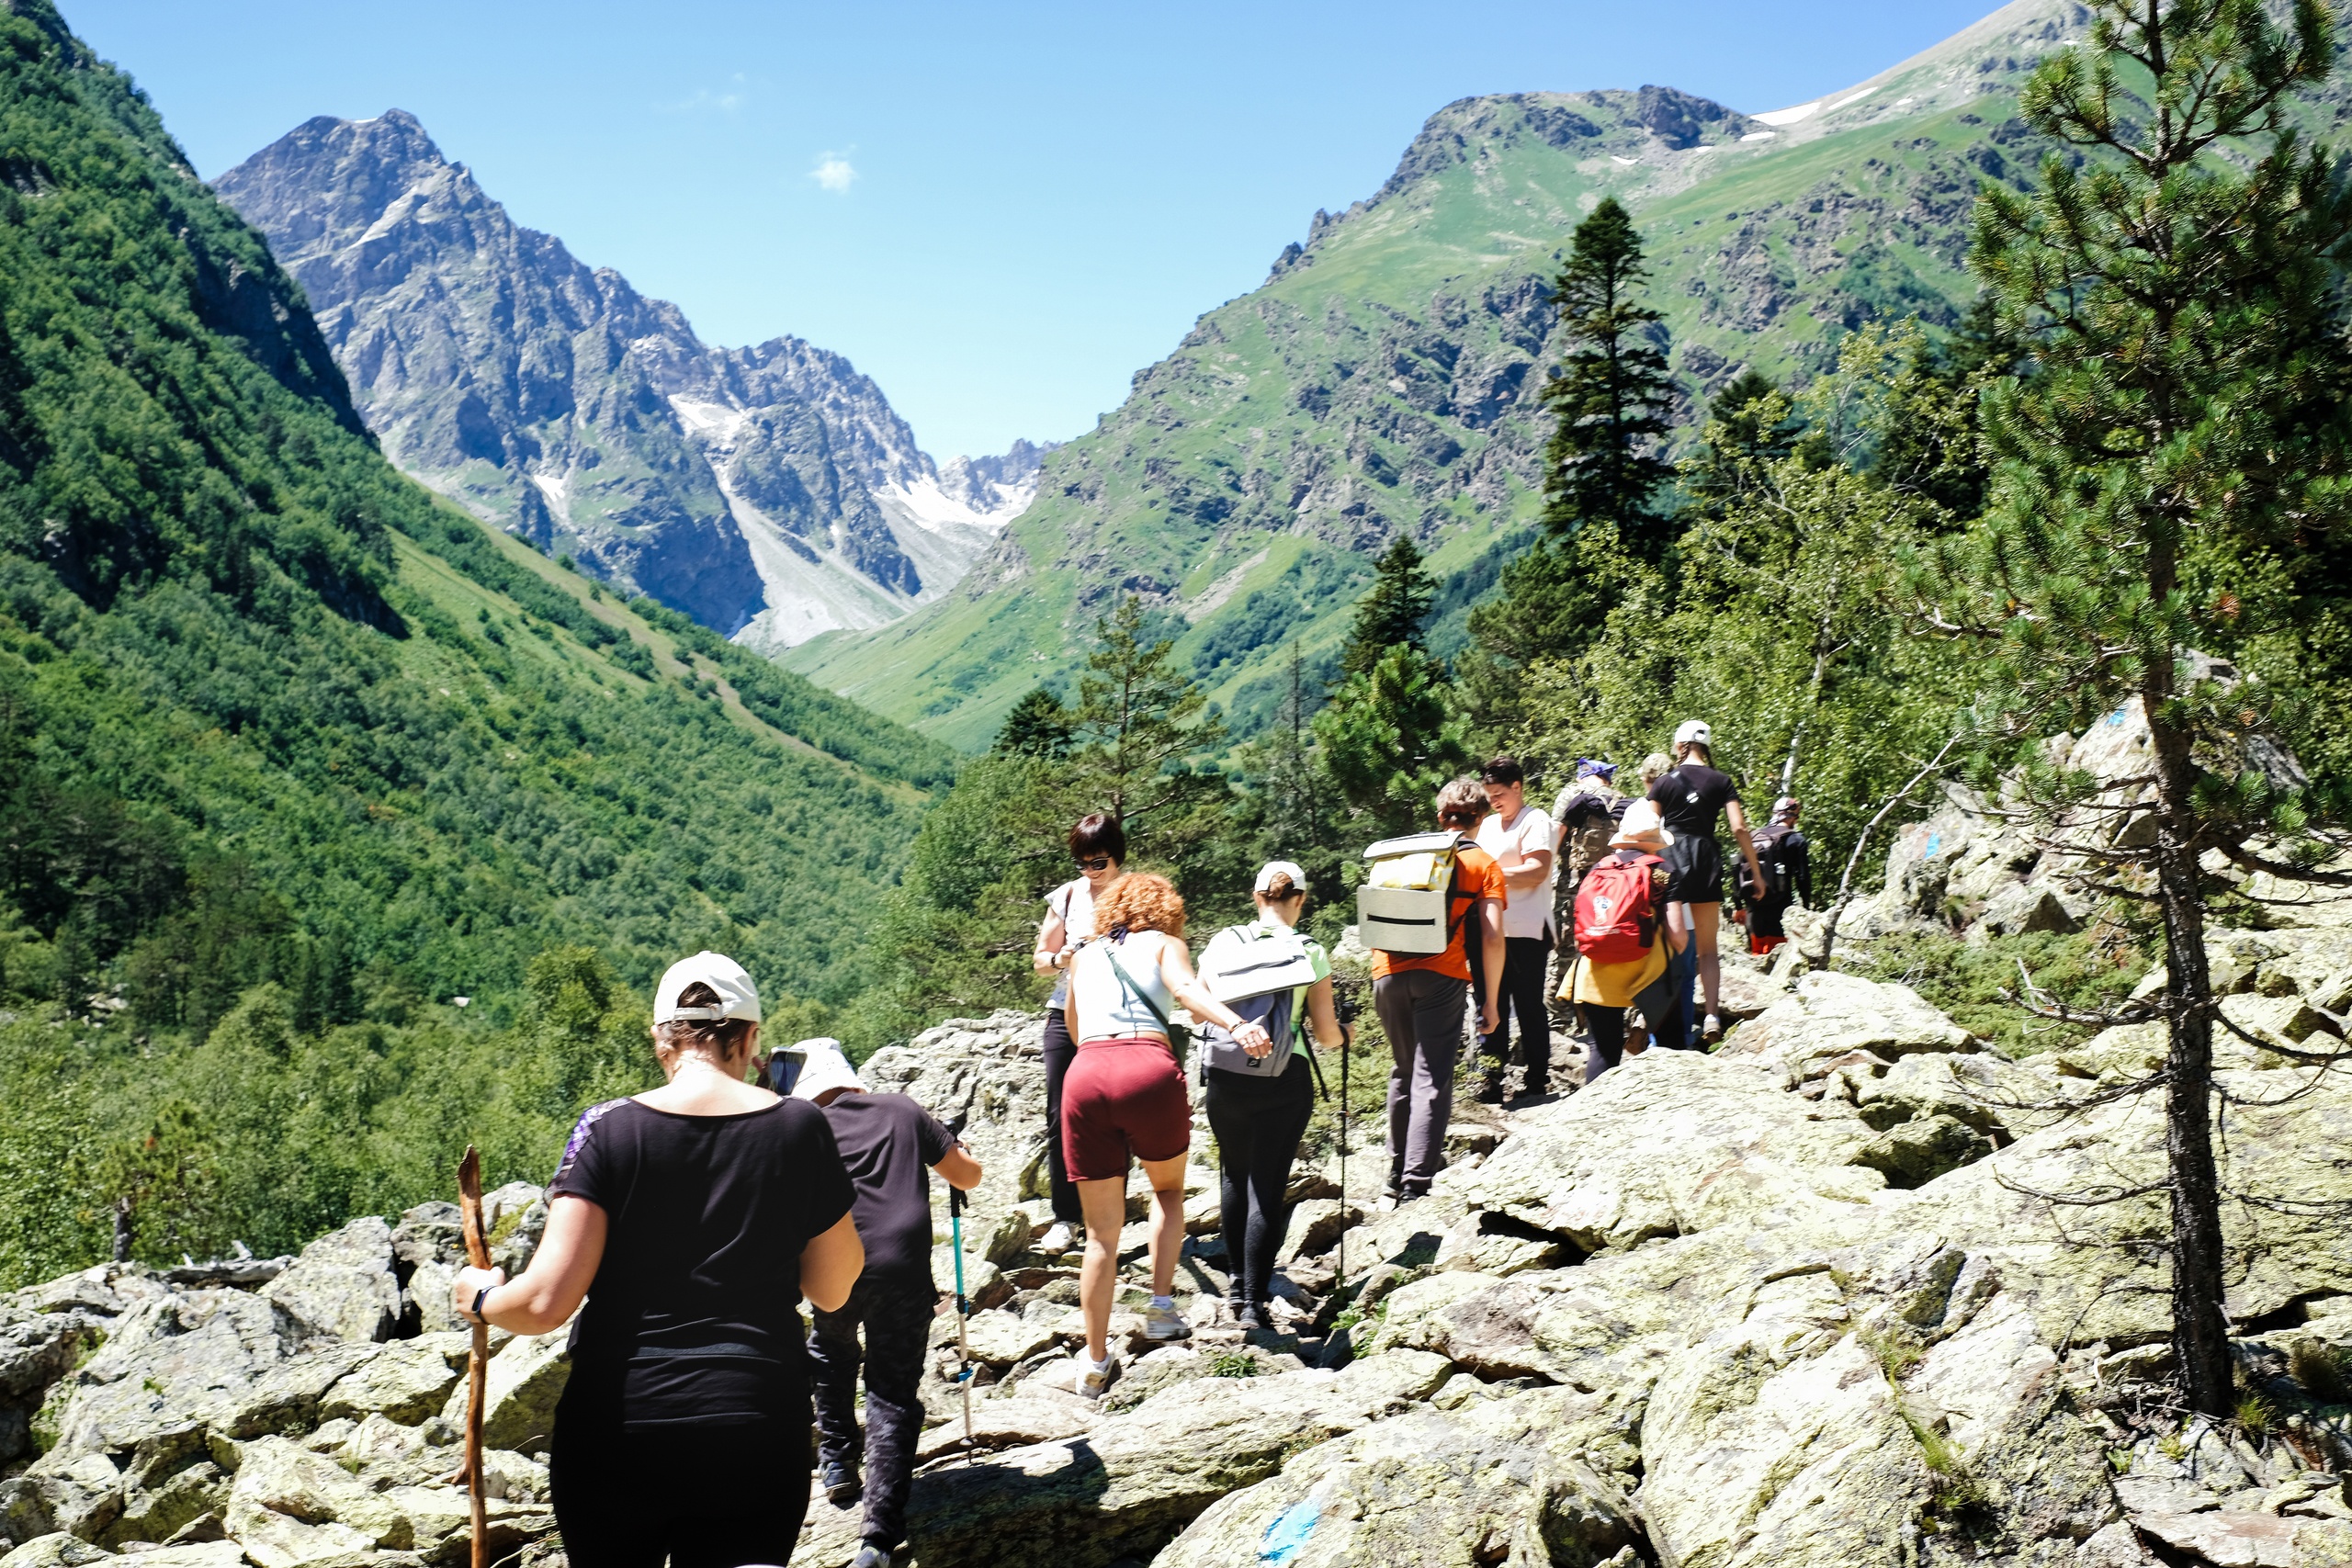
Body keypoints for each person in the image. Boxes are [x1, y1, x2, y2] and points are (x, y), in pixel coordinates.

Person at [451, 952, 864, 1568]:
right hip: (754, 1422)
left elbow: (542, 1304)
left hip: (620, 1425)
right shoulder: (800, 1126)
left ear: (660, 1039)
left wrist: (479, 1295)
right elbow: (833, 1287)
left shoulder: (609, 1130)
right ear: (750, 1038)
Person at [1061, 873, 1272, 1398]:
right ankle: (1159, 1310)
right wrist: (1236, 1025)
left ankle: (1093, 1362)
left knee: (1100, 1235)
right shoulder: (1165, 944)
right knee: (1167, 1191)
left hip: (1085, 1075)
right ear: (1166, 909)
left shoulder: (1083, 955)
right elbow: (1185, 991)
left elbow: (1072, 1025)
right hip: (1147, 1069)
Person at [790, 1040, 983, 1568]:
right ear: (851, 1078)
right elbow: (968, 1175)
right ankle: (877, 1536)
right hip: (902, 1270)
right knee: (892, 1391)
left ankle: (836, 1464)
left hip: (835, 1269)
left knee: (830, 1350)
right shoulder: (901, 1108)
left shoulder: (801, 1129)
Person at [1203, 861, 1347, 1330]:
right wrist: (1345, 1032)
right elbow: (1325, 1035)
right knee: (1266, 1184)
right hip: (1287, 1076)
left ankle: (1234, 1290)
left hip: (1226, 1073)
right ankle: (1252, 1305)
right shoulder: (1310, 950)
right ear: (1299, 900)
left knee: (1233, 1174)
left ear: (1256, 896)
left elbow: (1199, 1000)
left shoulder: (1224, 941)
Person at [1371, 777, 1505, 1206]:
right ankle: (1415, 1182)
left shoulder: (1405, 853)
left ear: (1439, 815)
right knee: (1431, 1077)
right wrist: (1492, 1000)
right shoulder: (1482, 864)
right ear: (1480, 819)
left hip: (1386, 971)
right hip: (1441, 974)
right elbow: (1493, 937)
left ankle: (1396, 1166)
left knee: (1404, 1071)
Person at [1032, 813, 1127, 1256]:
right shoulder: (1067, 897)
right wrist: (1060, 959)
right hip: (1064, 1010)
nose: (1090, 873)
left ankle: (1107, 1215)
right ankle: (1065, 1217)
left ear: (1117, 857)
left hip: (1116, 1014)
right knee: (1060, 1113)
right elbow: (1040, 958)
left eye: (1099, 863)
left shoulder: (1136, 895)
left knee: (1113, 1116)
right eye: (1082, 864)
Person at [1648, 721, 1767, 1043]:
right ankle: (1712, 1015)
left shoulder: (1663, 782)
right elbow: (1739, 828)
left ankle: (1649, 1019)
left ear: (1679, 745)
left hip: (1668, 859)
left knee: (1666, 943)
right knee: (1708, 949)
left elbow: (1646, 827)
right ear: (1706, 746)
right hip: (1706, 858)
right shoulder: (1722, 781)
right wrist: (1755, 872)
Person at [1564, 802, 1689, 1083]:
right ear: (1656, 839)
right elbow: (1678, 935)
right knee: (1673, 1047)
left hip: (1596, 969)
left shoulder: (1599, 868)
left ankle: (1592, 1119)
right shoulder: (1663, 871)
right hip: (1650, 972)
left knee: (1603, 1053)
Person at [1473, 757, 1556, 1104]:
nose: (1494, 800)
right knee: (1488, 1002)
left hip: (1526, 929)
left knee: (1527, 1005)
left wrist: (1491, 877)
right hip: (1491, 926)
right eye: (1489, 794)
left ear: (1518, 787)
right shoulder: (1488, 826)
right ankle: (1491, 1077)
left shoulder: (1535, 820)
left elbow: (1538, 870)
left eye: (1500, 792)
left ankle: (1537, 1078)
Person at [1546, 760, 1629, 1033]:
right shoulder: (1620, 799)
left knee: (1564, 951)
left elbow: (1556, 833)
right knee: (1603, 948)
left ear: (1583, 776)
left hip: (1572, 884)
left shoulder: (1572, 793)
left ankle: (1557, 1020)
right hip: (1610, 888)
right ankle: (1600, 1016)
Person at [1736, 796, 1813, 955]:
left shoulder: (1754, 837)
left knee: (1757, 960)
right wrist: (1806, 907)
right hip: (1780, 911)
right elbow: (1803, 878)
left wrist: (1739, 907)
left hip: (1754, 911)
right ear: (1793, 817)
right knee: (1776, 961)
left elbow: (1738, 870)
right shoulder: (1796, 840)